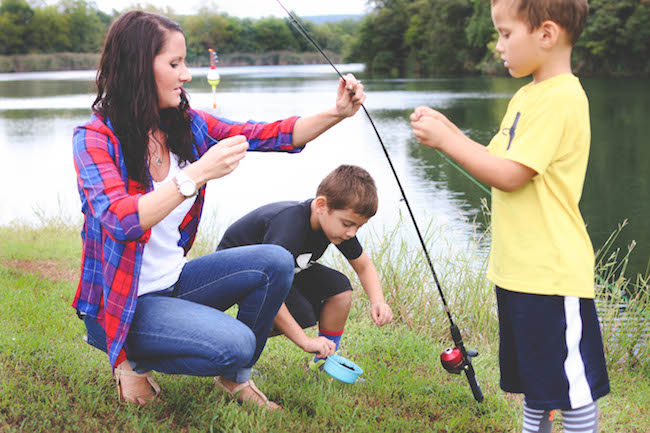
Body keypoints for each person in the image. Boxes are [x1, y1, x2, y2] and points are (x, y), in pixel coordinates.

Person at [72, 10, 366, 411]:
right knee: (239, 343)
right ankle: (130, 362)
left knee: (276, 261)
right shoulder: (94, 138)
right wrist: (195, 174)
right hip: (124, 305)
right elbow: (121, 218)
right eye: (175, 64)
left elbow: (268, 134)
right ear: (139, 67)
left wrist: (336, 114)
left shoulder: (185, 125)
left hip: (175, 284)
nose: (187, 74)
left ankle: (233, 381)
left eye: (185, 62)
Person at [410, 0, 609, 432]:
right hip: (518, 274)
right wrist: (452, 132)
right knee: (537, 388)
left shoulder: (562, 97)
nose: (497, 44)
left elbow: (512, 176)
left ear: (546, 34)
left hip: (552, 276)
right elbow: (493, 163)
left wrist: (447, 141)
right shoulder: (527, 95)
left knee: (572, 395)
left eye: (505, 33)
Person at [217, 165, 393, 373]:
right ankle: (235, 353)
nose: (351, 233)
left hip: (280, 271)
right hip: (234, 273)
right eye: (348, 224)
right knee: (299, 312)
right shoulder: (289, 228)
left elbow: (363, 266)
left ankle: (324, 363)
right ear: (321, 205)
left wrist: (378, 301)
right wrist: (304, 341)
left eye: (358, 227)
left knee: (339, 289)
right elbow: (268, 287)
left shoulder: (335, 226)